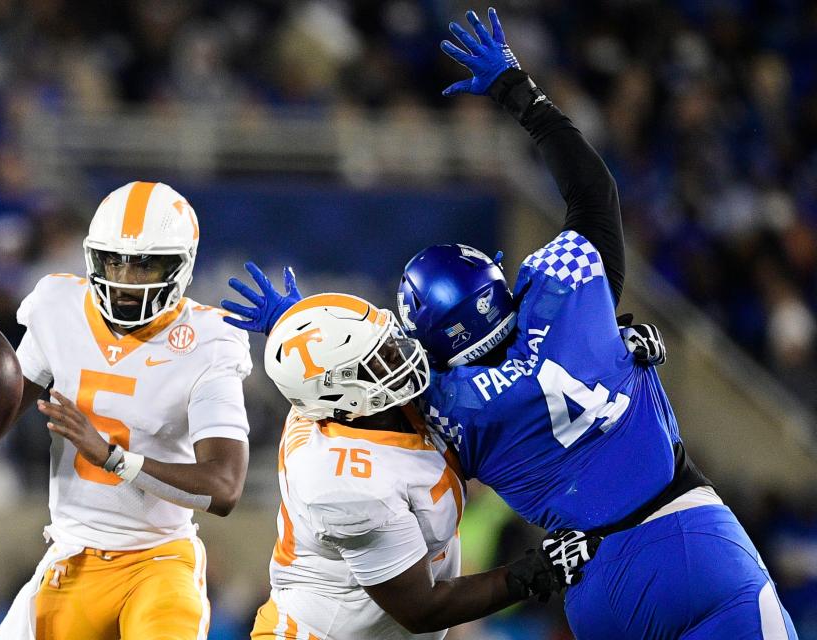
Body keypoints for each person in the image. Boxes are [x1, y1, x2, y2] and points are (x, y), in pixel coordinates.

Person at [221, 7, 798, 638]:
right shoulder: (571, 299)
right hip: (692, 537)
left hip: (593, 584)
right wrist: (521, 94)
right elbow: (594, 195)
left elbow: (361, 395)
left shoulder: (443, 407)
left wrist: (298, 329)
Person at [0, 181, 252, 640]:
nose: (125, 279)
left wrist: (112, 458)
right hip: (74, 557)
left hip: (158, 561)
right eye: (116, 260)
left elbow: (224, 487)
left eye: (144, 264)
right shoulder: (58, 307)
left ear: (180, 266)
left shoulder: (208, 340)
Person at [249, 292, 599, 639]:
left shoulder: (359, 404)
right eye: (379, 359)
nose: (398, 354)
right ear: (342, 393)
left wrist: (600, 355)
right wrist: (538, 572)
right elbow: (422, 609)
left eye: (387, 342)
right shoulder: (345, 485)